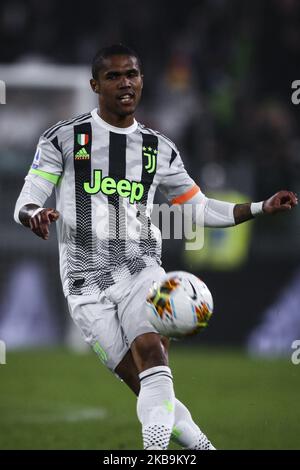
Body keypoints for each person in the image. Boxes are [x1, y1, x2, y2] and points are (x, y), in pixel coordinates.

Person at [14, 44, 298, 450]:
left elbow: (198, 208)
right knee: (140, 380)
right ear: (95, 85)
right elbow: (26, 199)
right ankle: (204, 448)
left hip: (141, 269)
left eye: (132, 74)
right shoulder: (63, 138)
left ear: (142, 81)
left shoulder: (158, 148)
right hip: (83, 282)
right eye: (113, 76)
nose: (125, 83)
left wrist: (260, 207)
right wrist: (33, 215)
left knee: (153, 354)